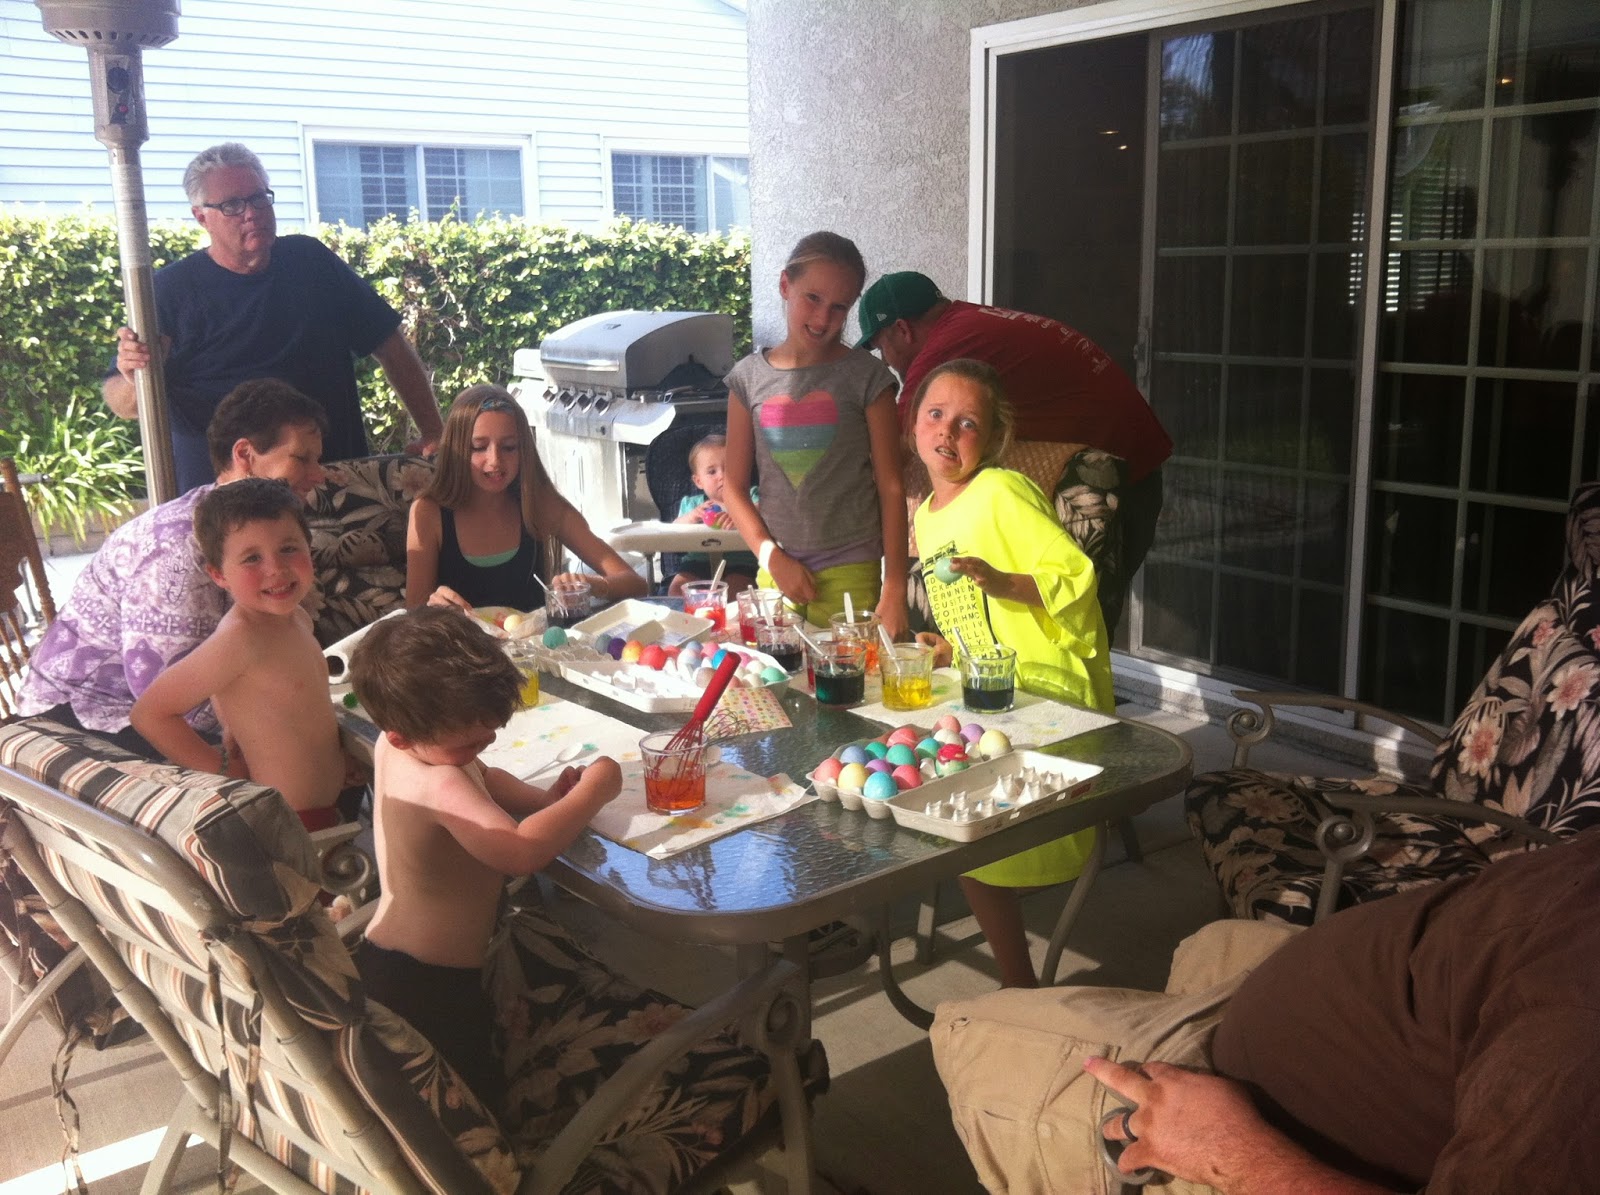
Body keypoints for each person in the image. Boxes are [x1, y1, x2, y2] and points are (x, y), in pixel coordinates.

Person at [934, 830, 1600, 1193]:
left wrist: (1233, 1153)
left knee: (977, 1036)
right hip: (1320, 1010)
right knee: (1211, 941)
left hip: (1258, 1146)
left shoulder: (1579, 1017)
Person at [347, 606, 623, 1111]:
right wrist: (594, 793)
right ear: (402, 735)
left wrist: (543, 801)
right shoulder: (437, 782)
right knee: (470, 1103)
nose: (486, 744)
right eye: (471, 741)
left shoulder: (405, 746)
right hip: (427, 987)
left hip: (393, 960)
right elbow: (520, 853)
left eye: (491, 732)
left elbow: (485, 778)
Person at [908, 359, 1114, 989]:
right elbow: (970, 610)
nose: (948, 430)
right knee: (950, 815)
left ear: (994, 439)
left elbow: (1073, 574)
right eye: (936, 414)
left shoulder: (1002, 490)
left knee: (971, 833)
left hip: (1044, 688)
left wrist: (1002, 582)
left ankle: (1018, 981)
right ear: (914, 424)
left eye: (968, 422)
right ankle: (1018, 978)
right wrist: (948, 646)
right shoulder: (926, 516)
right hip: (986, 690)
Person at [104, 143, 444, 492]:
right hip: (229, 503)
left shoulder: (311, 261)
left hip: (332, 485)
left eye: (258, 198)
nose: (251, 213)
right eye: (232, 205)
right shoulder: (169, 290)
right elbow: (120, 401)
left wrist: (434, 431)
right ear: (201, 217)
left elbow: (390, 345)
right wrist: (135, 376)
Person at [17, 380, 329, 756]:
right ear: (245, 454)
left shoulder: (233, 525)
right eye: (302, 459)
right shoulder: (179, 551)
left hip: (133, 717)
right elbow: (168, 702)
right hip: (81, 723)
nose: (319, 475)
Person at [857, 270, 1172, 634]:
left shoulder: (944, 351)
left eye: (882, 348)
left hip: (1116, 482)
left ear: (902, 330)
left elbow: (894, 451)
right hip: (1133, 464)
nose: (887, 362)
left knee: (1078, 625)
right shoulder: (969, 322)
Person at [722, 231, 908, 637]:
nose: (824, 319)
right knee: (776, 673)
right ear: (785, 285)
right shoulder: (747, 379)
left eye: (840, 307)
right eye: (813, 298)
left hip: (852, 568)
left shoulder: (868, 377)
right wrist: (771, 557)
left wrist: (895, 587)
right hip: (777, 571)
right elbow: (732, 488)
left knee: (849, 675)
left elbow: (892, 486)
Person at [130, 479, 343, 830]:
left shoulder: (298, 618)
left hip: (323, 810)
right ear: (218, 575)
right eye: (252, 558)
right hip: (285, 823)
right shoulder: (240, 638)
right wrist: (224, 771)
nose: (275, 568)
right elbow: (150, 714)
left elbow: (247, 691)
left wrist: (231, 723)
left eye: (289, 548)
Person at [404, 384, 647, 612]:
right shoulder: (428, 512)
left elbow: (635, 584)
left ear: (524, 451)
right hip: (460, 644)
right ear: (456, 450)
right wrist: (434, 611)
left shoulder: (540, 503)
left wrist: (591, 585)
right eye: (479, 447)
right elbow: (413, 616)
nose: (495, 460)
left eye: (509, 447)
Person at [668, 433, 758, 597]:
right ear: (698, 481)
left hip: (741, 563)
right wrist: (691, 517)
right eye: (712, 471)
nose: (722, 476)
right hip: (696, 563)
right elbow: (673, 532)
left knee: (735, 593)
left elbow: (765, 511)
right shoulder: (692, 505)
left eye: (729, 468)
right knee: (676, 591)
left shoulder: (749, 497)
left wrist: (742, 516)